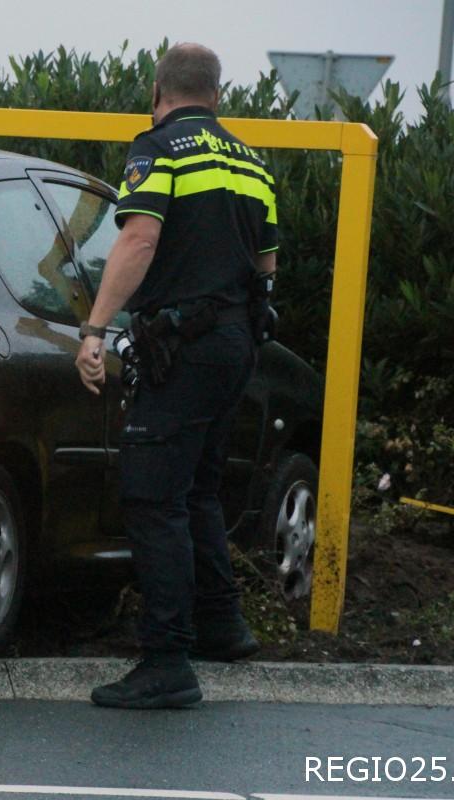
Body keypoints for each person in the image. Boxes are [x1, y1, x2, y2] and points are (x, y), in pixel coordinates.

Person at [74, 42, 278, 709]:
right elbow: (267, 263)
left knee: (151, 495)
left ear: (157, 90)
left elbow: (139, 238)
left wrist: (95, 328)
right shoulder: (251, 161)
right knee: (198, 490)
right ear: (218, 95)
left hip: (183, 345)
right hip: (237, 342)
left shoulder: (156, 148)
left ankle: (167, 660)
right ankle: (222, 625)